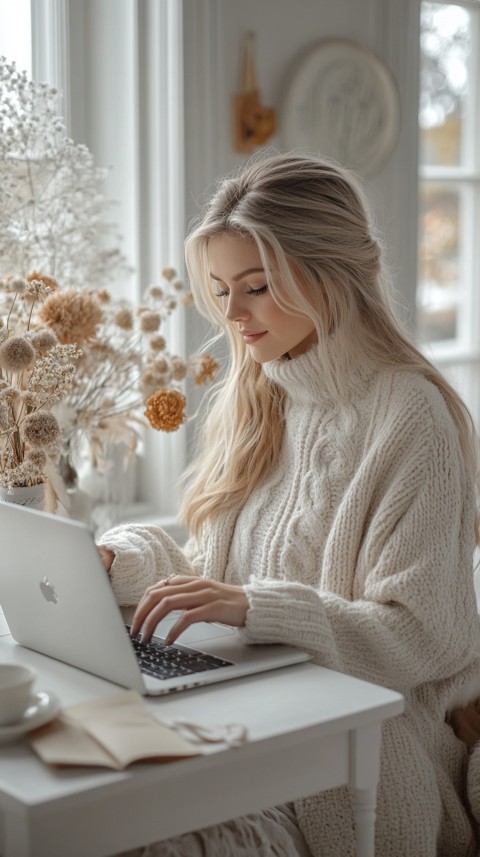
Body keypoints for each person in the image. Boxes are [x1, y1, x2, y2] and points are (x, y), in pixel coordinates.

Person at [98, 152, 480, 857]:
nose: (232, 315)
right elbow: (211, 573)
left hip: (350, 778)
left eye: (256, 287)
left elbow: (427, 633)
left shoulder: (408, 416)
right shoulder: (256, 395)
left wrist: (257, 607)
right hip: (243, 729)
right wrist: (122, 558)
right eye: (221, 290)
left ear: (331, 276)